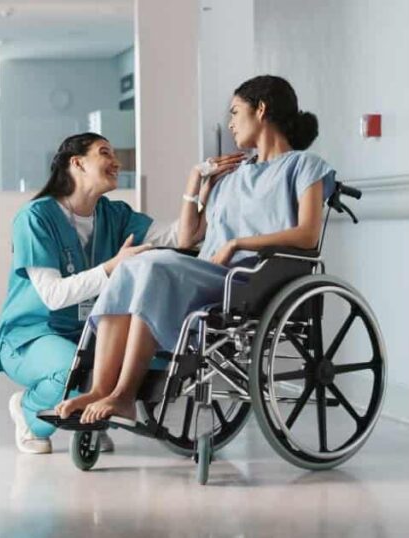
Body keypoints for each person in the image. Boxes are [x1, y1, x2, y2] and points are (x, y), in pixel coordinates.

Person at [54, 75, 336, 425]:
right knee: (132, 265)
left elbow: (307, 236)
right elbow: (188, 238)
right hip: (209, 272)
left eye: (235, 112)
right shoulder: (232, 175)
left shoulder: (304, 166)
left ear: (261, 110)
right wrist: (196, 181)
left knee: (154, 266)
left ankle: (124, 394)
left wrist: (238, 243)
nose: (231, 123)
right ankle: (101, 388)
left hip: (252, 278)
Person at [0, 132, 178, 454]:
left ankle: (89, 416)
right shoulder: (35, 218)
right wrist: (112, 268)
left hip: (89, 332)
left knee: (152, 360)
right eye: (105, 153)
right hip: (31, 334)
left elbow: (174, 235)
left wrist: (202, 195)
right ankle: (27, 411)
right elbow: (53, 295)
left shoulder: (114, 214)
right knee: (69, 370)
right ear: (76, 163)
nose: (116, 162)